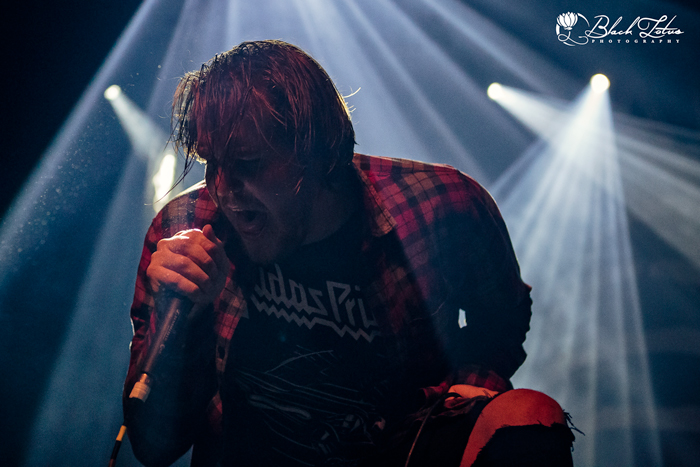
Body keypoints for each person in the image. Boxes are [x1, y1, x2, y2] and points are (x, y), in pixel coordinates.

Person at [123, 40, 574, 467]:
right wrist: (183, 319)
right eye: (210, 162)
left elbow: (500, 319)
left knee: (530, 415)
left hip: (403, 448)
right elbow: (153, 445)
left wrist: (471, 388)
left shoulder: (440, 206)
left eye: (248, 163)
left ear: (317, 154)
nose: (223, 188)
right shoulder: (182, 228)